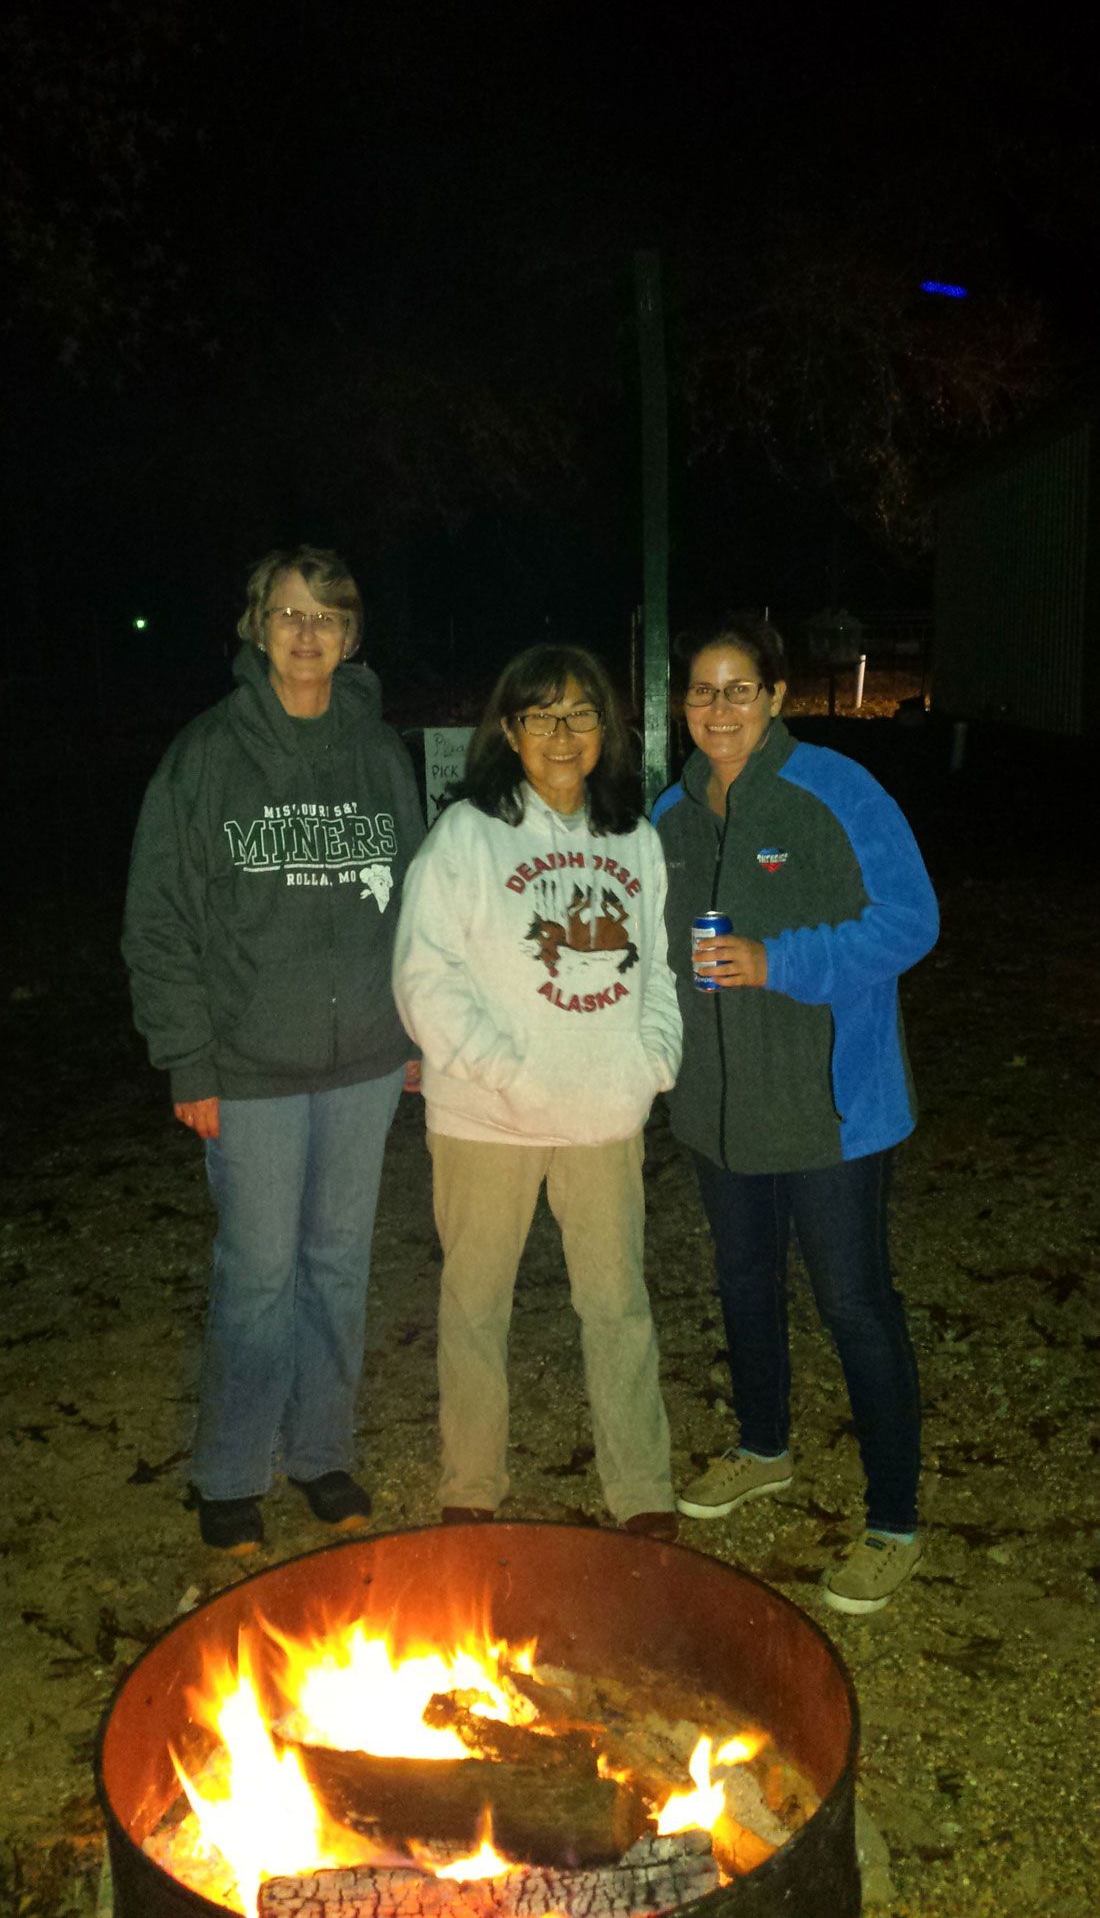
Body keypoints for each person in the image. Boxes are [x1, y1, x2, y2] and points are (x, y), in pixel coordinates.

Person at [122, 544, 424, 1554]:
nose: (306, 634)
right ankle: (229, 1469)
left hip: (366, 1063)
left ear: (350, 634)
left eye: (326, 616)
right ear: (257, 626)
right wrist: (189, 1060)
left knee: (337, 1263)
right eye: (287, 614)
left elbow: (416, 905)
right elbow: (157, 920)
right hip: (246, 1070)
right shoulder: (206, 755)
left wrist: (412, 1028)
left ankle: (321, 1452)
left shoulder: (379, 753)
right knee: (257, 1272)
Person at [652, 615, 939, 1613]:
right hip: (720, 1112)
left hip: (830, 1110)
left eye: (737, 689)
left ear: (773, 696)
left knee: (853, 1304)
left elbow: (909, 920)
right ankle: (761, 1448)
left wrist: (781, 963)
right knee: (741, 1283)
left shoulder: (837, 790)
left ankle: (892, 1520)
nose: (716, 708)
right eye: (699, 691)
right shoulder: (670, 814)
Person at [392, 644, 682, 1539]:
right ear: (509, 731)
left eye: (582, 714)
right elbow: (422, 976)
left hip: (603, 1115)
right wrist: (501, 1070)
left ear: (608, 729)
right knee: (475, 1307)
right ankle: (472, 1484)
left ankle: (640, 1490)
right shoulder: (466, 836)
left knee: (618, 1307)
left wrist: (652, 1064)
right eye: (542, 716)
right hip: (487, 1119)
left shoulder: (632, 836)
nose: (563, 734)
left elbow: (658, 967)